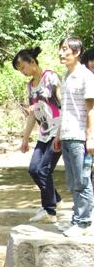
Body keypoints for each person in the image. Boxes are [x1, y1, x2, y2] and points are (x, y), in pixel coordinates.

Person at [13, 47, 62, 223]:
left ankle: (49, 211)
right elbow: (33, 113)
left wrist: (61, 133)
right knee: (34, 169)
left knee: (43, 170)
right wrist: (25, 138)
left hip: (58, 131)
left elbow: (63, 103)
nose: (23, 72)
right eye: (20, 70)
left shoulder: (51, 77)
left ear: (32, 62)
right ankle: (54, 199)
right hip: (44, 133)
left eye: (23, 67)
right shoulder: (30, 86)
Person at [53, 37, 94, 237]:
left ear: (76, 52)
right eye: (60, 50)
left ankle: (84, 221)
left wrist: (91, 137)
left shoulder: (86, 76)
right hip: (68, 135)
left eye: (65, 49)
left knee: (82, 179)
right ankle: (80, 217)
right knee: (72, 180)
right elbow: (65, 109)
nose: (61, 54)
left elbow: (91, 109)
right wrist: (59, 134)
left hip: (80, 137)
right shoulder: (66, 76)